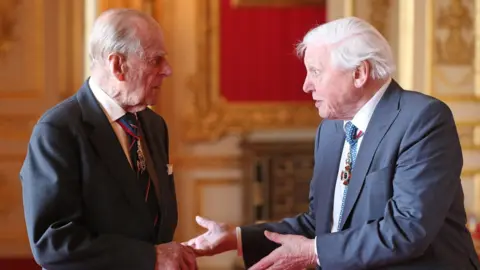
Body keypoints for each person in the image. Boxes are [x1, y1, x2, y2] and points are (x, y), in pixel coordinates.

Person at [183, 17, 480, 270]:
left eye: (315, 71)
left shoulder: (422, 120)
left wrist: (313, 253)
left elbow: (406, 230)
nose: (305, 85)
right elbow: (324, 224)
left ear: (359, 73)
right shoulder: (331, 130)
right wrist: (236, 238)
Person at [19, 8, 196, 270]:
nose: (168, 70)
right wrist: (150, 257)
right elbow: (52, 242)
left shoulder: (155, 125)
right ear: (117, 65)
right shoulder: (58, 130)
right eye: (156, 60)